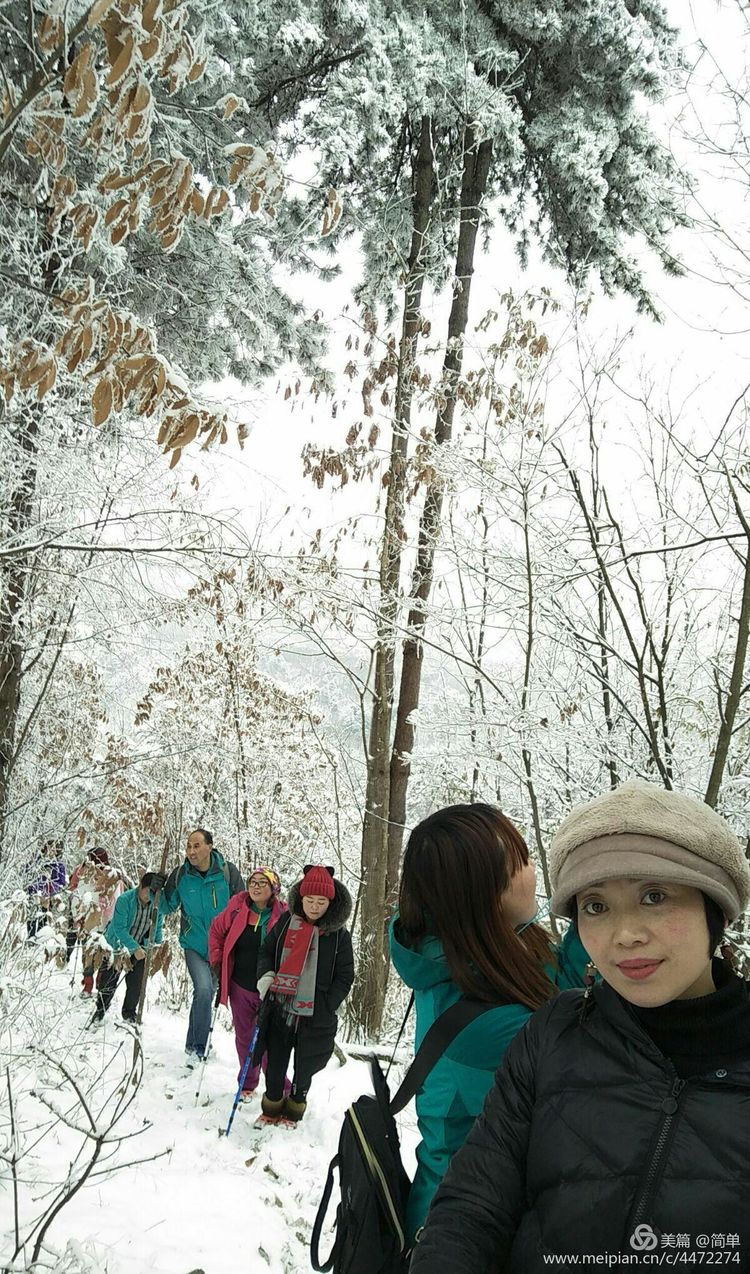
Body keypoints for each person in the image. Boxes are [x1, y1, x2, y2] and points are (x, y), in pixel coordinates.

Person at [411, 781, 750, 1273]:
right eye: (595, 906)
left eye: (654, 896)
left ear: (714, 908)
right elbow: (472, 1207)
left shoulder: (517, 962)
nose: (625, 934)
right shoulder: (547, 1034)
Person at [390, 803, 590, 1245]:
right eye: (521, 860)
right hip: (465, 1229)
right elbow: (577, 1099)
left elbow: (559, 987)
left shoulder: (474, 956)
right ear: (486, 893)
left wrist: (592, 916)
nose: (534, 870)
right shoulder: (487, 1028)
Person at [255, 864, 354, 1124]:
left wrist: (327, 1003)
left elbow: (345, 976)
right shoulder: (287, 922)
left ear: (330, 903)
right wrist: (266, 978)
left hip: (316, 1013)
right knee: (275, 1061)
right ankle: (271, 1107)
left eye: (321, 901)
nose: (314, 906)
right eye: (309, 900)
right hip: (281, 1005)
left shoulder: (339, 936)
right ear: (301, 898)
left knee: (305, 1065)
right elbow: (266, 951)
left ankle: (296, 1108)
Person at [151, 828, 242, 1064]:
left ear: (210, 847)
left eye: (197, 845)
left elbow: (243, 908)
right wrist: (155, 890)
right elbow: (166, 907)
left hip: (221, 948)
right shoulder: (181, 875)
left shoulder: (228, 873)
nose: (191, 851)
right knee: (203, 990)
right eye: (188, 846)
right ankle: (200, 1048)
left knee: (204, 994)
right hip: (194, 945)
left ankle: (191, 1045)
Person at [208, 866, 289, 1099]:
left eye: (262, 883)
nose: (255, 887)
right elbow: (216, 930)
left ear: (273, 888)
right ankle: (247, 1083)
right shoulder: (236, 907)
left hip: (270, 989)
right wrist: (217, 960)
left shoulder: (283, 914)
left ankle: (279, 1085)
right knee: (244, 1037)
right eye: (252, 882)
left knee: (269, 1040)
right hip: (240, 985)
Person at [92, 872, 166, 1024]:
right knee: (109, 981)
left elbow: (157, 929)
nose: (149, 896)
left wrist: (153, 945)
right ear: (141, 886)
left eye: (153, 894)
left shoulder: (156, 905)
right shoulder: (125, 900)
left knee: (136, 984)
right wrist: (134, 948)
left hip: (140, 948)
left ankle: (129, 1014)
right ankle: (100, 1011)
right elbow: (119, 929)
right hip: (117, 946)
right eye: (147, 892)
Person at [67, 847, 123, 994]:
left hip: (93, 920)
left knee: (90, 952)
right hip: (99, 921)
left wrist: (76, 916)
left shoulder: (105, 874)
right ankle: (93, 980)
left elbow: (75, 894)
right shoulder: (111, 875)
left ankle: (90, 983)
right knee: (96, 951)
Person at [25, 839, 67, 938]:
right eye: (51, 848)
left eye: (55, 849)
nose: (53, 851)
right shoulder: (37, 859)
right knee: (31, 918)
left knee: (43, 919)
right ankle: (30, 939)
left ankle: (40, 939)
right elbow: (27, 872)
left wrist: (51, 888)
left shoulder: (59, 865)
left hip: (47, 897)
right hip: (34, 893)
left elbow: (61, 882)